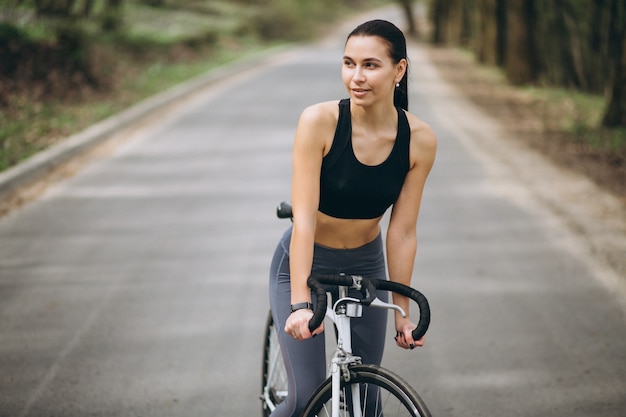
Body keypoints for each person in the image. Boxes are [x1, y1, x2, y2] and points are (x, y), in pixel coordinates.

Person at [268, 19, 437, 417]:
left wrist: (402, 311)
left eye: (370, 65)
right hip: (305, 265)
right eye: (348, 63)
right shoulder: (319, 122)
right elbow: (304, 220)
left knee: (367, 400)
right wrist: (299, 306)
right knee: (304, 399)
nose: (356, 77)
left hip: (366, 265)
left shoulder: (420, 140)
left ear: (399, 70)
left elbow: (403, 232)